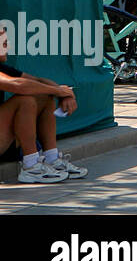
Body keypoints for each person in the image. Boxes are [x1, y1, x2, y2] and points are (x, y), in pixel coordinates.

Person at [0, 26, 87, 183]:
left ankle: (51, 159)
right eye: (4, 42)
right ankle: (31, 166)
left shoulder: (3, 68)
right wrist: (59, 91)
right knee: (25, 100)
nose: (8, 46)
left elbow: (38, 81)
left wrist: (61, 92)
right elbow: (17, 85)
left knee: (43, 94)